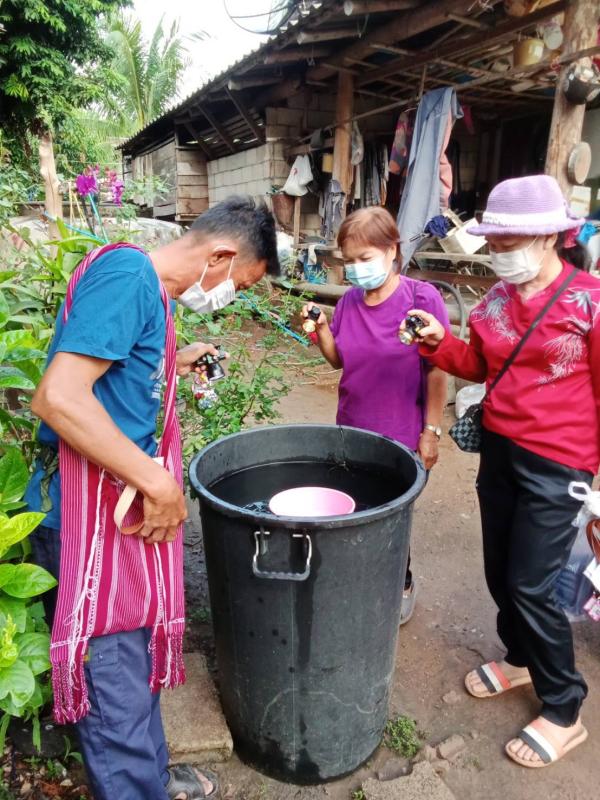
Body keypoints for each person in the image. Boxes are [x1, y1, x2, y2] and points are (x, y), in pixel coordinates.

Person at [25, 196, 279, 800]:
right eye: (237, 284)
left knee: (131, 666)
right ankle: (136, 789)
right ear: (220, 255)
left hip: (111, 512)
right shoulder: (128, 277)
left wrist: (173, 360)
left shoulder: (150, 293)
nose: (229, 298)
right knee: (113, 671)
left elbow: (113, 372)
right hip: (85, 521)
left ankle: (150, 777)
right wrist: (160, 482)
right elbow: (59, 398)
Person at [409, 175, 600, 769]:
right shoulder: (494, 301)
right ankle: (520, 656)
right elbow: (478, 365)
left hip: (561, 462)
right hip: (501, 450)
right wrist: (438, 343)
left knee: (531, 583)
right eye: (492, 241)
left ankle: (565, 708)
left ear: (550, 235)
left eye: (509, 240)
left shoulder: (590, 300)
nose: (498, 252)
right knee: (499, 568)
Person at [302, 206, 449, 624]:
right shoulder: (348, 302)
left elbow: (438, 370)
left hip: (401, 435)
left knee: (392, 518)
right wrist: (320, 332)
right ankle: (360, 580)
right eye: (348, 261)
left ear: (392, 250)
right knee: (354, 509)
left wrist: (431, 431)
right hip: (351, 427)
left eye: (365, 259)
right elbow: (338, 361)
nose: (355, 269)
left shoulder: (422, 300)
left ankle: (400, 582)